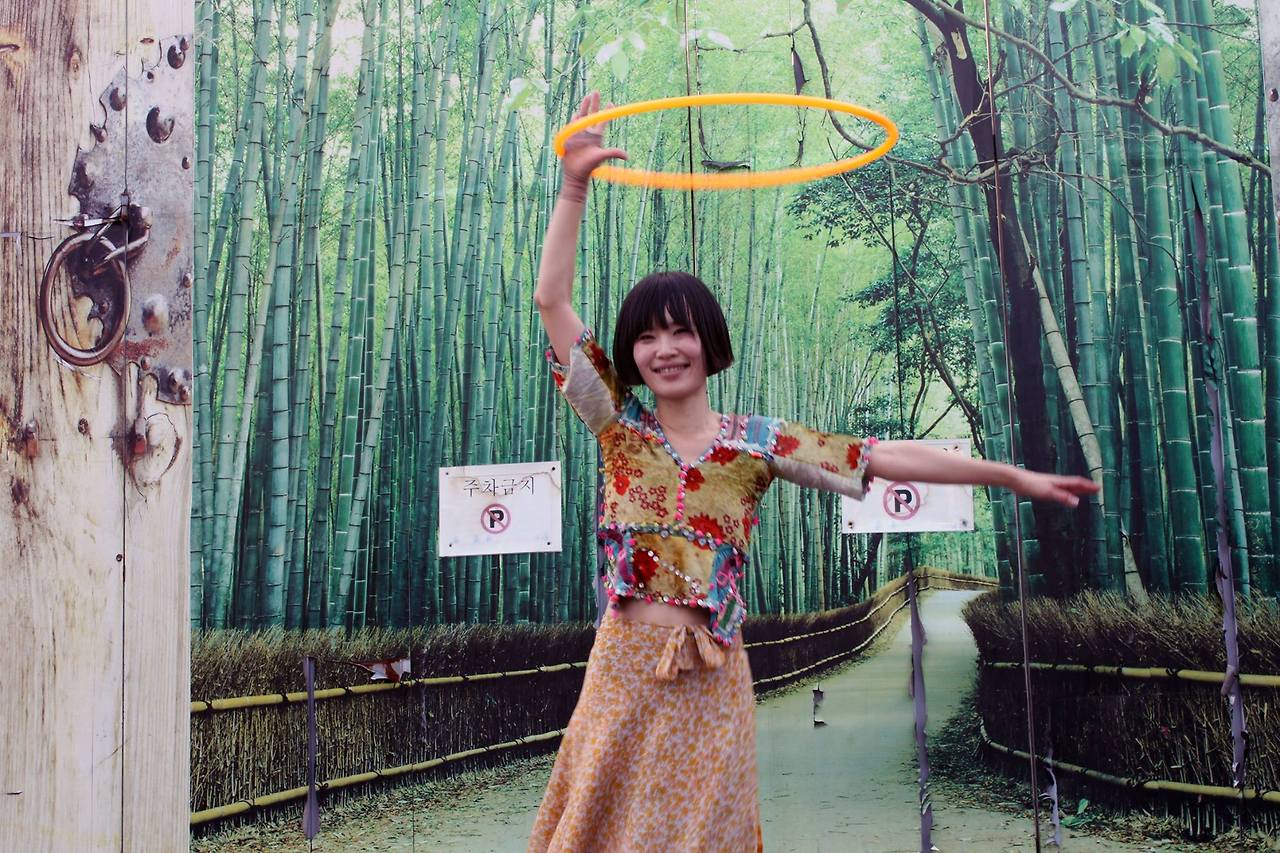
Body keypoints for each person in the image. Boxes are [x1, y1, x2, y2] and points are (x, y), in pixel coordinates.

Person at [527, 91, 1099, 853]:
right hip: (624, 663)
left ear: (709, 344)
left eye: (681, 331)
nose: (665, 349)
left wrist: (1009, 476)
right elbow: (551, 298)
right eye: (647, 337)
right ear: (630, 352)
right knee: (599, 825)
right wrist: (574, 185)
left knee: (704, 831)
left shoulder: (758, 443)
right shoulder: (618, 426)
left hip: (713, 667)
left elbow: (879, 456)